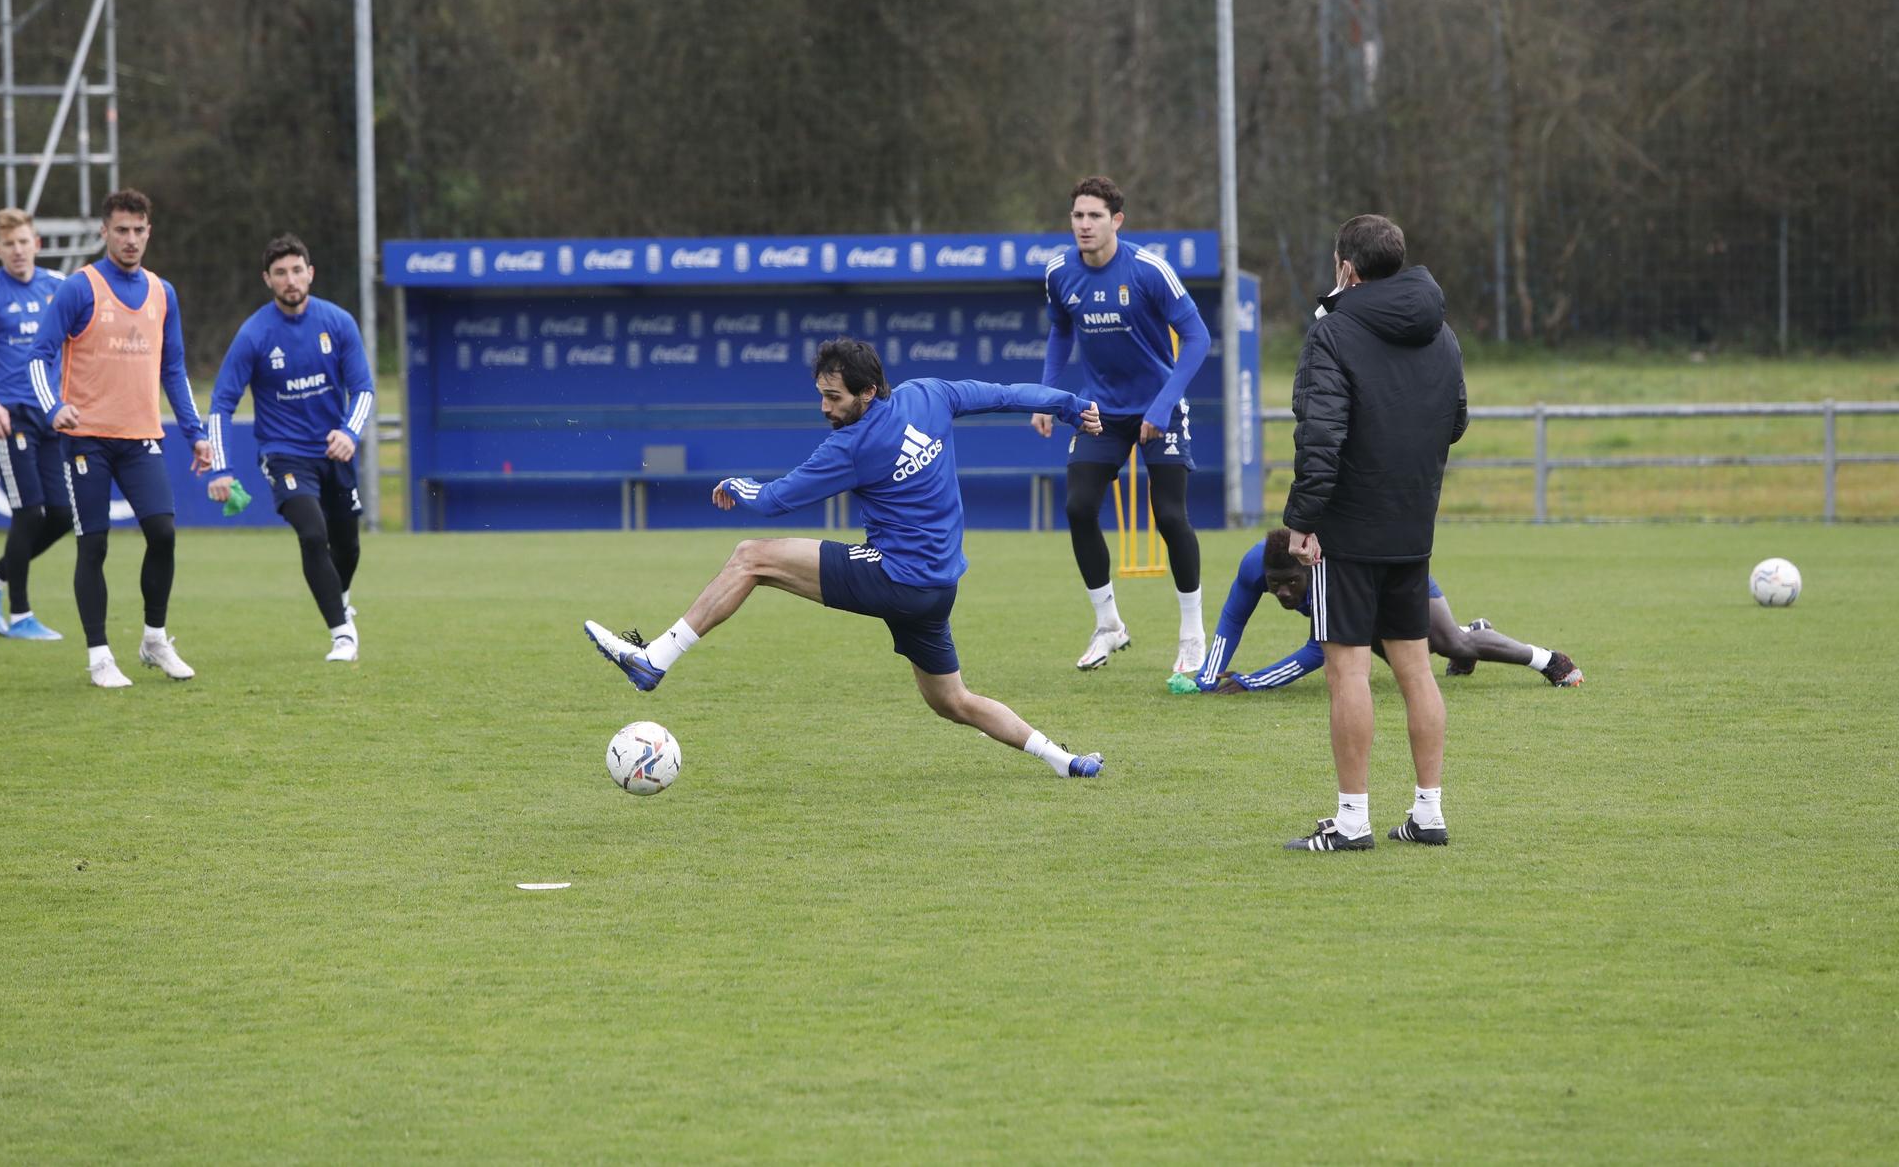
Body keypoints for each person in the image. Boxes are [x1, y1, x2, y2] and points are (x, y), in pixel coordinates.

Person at [584, 337, 1108, 779]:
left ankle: (654, 661)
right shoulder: (930, 395)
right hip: (937, 589)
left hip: (895, 575)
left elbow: (772, 501)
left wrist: (736, 485)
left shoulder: (852, 446)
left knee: (751, 558)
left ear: (868, 392)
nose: (825, 408)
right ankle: (1064, 761)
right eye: (821, 395)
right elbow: (1006, 395)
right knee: (953, 701)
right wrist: (1068, 407)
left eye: (834, 397)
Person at [1281, 215, 1468, 852]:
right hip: (1413, 524)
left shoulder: (1332, 332)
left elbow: (1321, 437)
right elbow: (1457, 421)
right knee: (1417, 670)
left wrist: (1302, 520)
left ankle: (1353, 821)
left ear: (1347, 269)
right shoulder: (1441, 331)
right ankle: (1429, 813)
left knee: (1349, 673)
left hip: (1348, 529)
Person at [27, 188, 211, 688]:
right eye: (121, 230)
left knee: (164, 534)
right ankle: (99, 656)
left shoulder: (161, 292)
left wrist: (195, 433)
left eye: (139, 230)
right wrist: (53, 407)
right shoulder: (79, 288)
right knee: (94, 545)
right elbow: (40, 354)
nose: (130, 239)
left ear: (149, 232)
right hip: (86, 438)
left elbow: (173, 368)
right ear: (104, 232)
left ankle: (154, 639)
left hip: (140, 437)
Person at [1033, 175, 1213, 675]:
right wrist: (1048, 398)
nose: (1084, 225)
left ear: (1117, 221)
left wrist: (1161, 406)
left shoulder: (1148, 269)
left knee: (1171, 517)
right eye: (1077, 216)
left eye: (1094, 216)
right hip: (1101, 411)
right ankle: (1109, 624)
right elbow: (1059, 330)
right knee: (1078, 505)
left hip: (1160, 408)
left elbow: (1197, 338)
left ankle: (1192, 636)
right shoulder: (1058, 272)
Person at [205, 233, 375, 662]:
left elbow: (364, 389)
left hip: (334, 452)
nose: (290, 279)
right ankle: (342, 635)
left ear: (311, 273)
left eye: (297, 270)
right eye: (280, 272)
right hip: (284, 454)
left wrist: (349, 434)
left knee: (347, 547)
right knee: (313, 534)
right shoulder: (254, 334)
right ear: (267, 280)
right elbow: (222, 402)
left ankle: (341, 599)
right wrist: (220, 467)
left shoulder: (338, 322)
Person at [1183, 527, 1582, 693]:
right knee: (1411, 658)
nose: (1285, 594)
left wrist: (1255, 681)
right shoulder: (1256, 565)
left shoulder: (1320, 570)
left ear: (1307, 567)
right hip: (1359, 600)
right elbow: (1232, 619)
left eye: (1292, 584)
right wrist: (1206, 676)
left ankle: (1547, 660)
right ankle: (1471, 637)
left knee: (1449, 641)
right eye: (1275, 586)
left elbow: (1318, 649)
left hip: (1391, 573)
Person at [0, 208, 74, 640]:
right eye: (9, 244)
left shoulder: (60, 288)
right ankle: (21, 614)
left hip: (50, 413)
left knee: (61, 514)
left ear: (37, 244)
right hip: (11, 416)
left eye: (24, 242)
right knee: (29, 512)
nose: (18, 251)